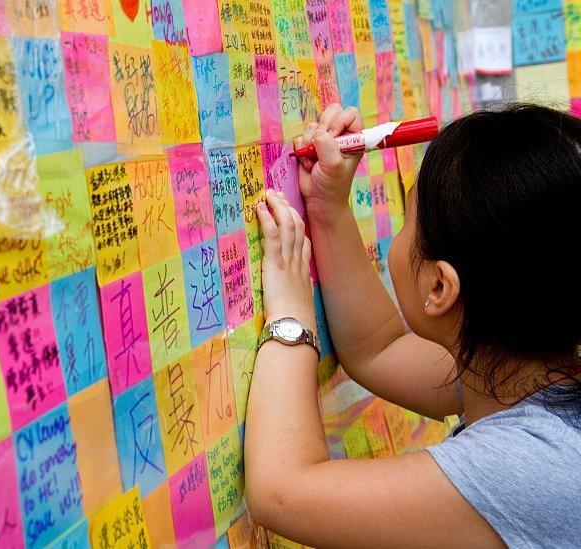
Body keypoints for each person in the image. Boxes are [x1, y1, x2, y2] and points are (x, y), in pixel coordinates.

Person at [243, 103, 581, 548]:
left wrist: (291, 315)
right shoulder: (522, 372)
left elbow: (281, 491)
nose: (397, 239)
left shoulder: (530, 465)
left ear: (440, 286)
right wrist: (328, 208)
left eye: (407, 220)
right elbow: (377, 348)